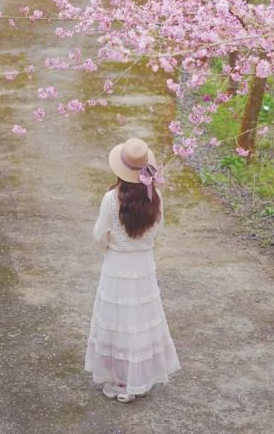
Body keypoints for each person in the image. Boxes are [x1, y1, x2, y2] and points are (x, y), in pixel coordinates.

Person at [84, 137, 181, 403]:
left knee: (117, 318)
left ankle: (119, 378)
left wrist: (110, 248)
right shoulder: (156, 197)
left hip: (117, 265)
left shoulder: (111, 199)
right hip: (143, 266)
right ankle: (138, 376)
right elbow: (157, 231)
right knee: (139, 318)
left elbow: (98, 234)